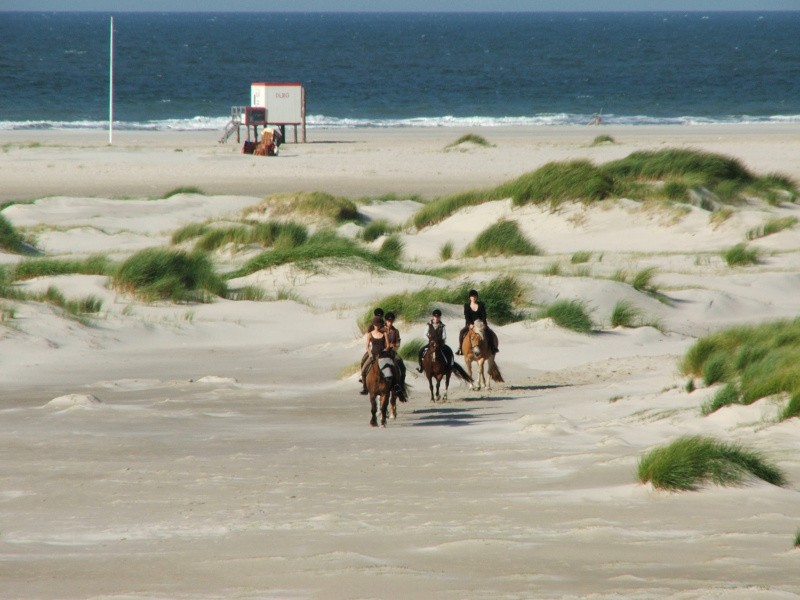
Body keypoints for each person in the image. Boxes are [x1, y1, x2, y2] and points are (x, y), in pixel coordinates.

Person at [457, 289, 499, 355]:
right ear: (469, 298)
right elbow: (466, 316)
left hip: (480, 324)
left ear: (477, 297)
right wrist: (470, 324)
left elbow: (484, 315)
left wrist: (484, 323)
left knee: (489, 332)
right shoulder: (467, 306)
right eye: (472, 296)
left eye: (475, 296)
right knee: (462, 332)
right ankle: (460, 348)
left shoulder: (481, 305)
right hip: (471, 324)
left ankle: (492, 347)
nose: (473, 298)